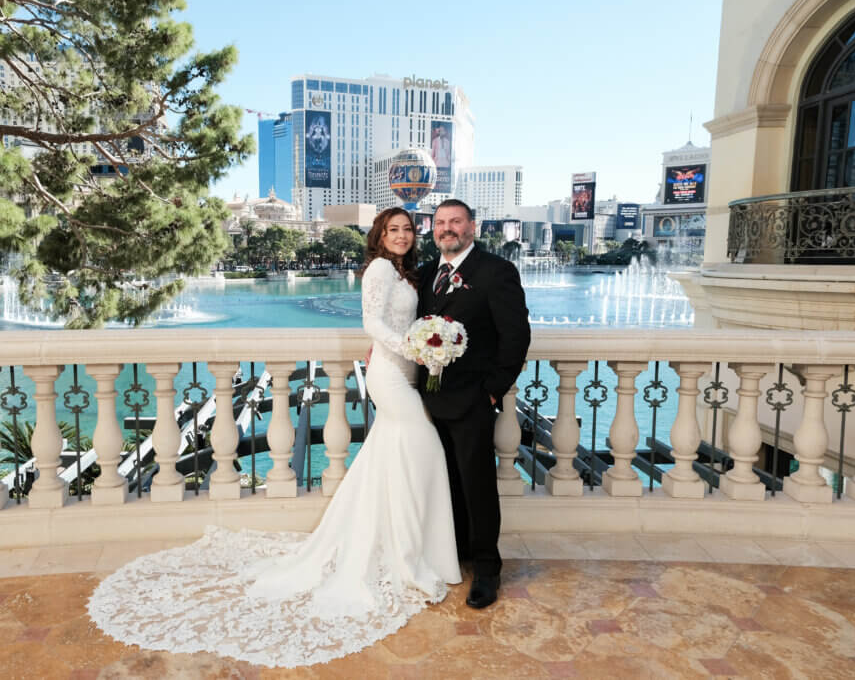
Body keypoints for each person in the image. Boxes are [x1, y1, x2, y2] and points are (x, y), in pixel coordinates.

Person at [88, 207, 461, 668]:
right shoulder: (381, 269)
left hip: (406, 370)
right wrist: (415, 347)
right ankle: (408, 554)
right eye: (393, 230)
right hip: (390, 373)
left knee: (393, 455)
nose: (401, 236)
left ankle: (400, 542)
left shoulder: (409, 273)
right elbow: (373, 325)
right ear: (379, 237)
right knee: (422, 444)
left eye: (407, 230)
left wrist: (425, 345)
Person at [417, 198, 530, 609]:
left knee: (477, 485)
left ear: (472, 227)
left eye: (456, 221)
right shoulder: (428, 273)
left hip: (472, 400)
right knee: (442, 481)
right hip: (428, 400)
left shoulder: (496, 271)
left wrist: (493, 391)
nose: (447, 228)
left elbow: (515, 337)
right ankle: (456, 552)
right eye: (441, 222)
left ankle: (487, 570)